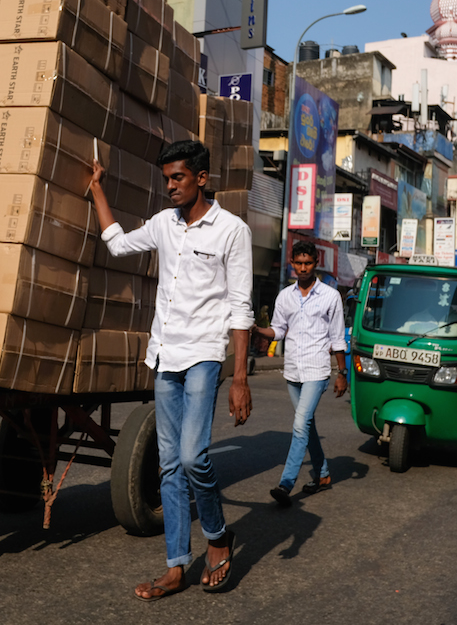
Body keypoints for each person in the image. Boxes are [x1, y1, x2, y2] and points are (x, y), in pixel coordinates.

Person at [89, 140, 253, 600]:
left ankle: (218, 537)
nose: (170, 187)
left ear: (201, 178)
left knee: (192, 457)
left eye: (177, 178)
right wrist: (98, 189)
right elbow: (119, 245)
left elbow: (240, 309)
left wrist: (239, 378)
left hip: (204, 355)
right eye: (166, 179)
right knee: (167, 468)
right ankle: (176, 566)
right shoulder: (163, 224)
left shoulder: (232, 231)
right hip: (164, 355)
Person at [251, 241, 347, 507]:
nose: (303, 268)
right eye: (299, 263)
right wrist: (257, 330)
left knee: (300, 423)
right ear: (292, 264)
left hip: (317, 370)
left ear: (316, 263)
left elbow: (338, 338)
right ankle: (323, 474)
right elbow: (278, 330)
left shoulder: (330, 296)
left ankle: (286, 483)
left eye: (308, 263)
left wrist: (342, 372)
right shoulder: (285, 296)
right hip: (292, 370)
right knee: (306, 425)